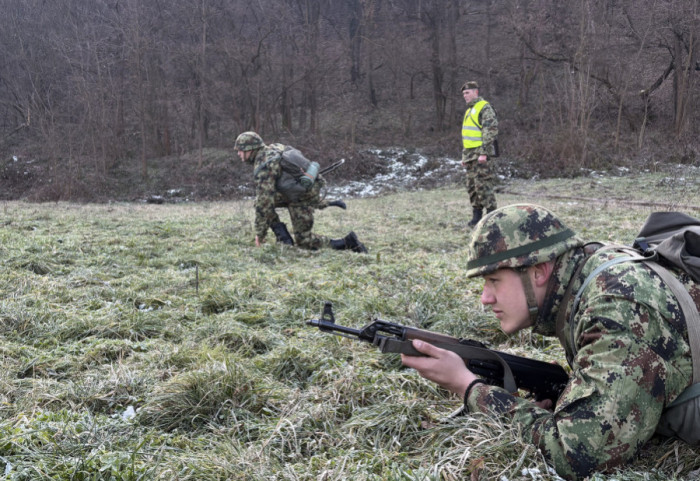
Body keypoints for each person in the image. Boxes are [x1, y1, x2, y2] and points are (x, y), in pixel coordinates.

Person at [401, 204, 698, 480]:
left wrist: (469, 388)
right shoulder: (589, 273)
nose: (485, 298)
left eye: (494, 280)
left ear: (539, 272)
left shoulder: (617, 305)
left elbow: (580, 455)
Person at [234, 131, 367, 253]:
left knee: (304, 242)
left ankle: (349, 242)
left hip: (303, 196)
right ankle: (284, 239)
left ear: (250, 149)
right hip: (298, 190)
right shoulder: (274, 148)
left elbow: (265, 201)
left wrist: (260, 234)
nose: (238, 154)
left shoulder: (264, 165)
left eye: (240, 150)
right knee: (261, 203)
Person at [460, 81, 499, 227]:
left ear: (476, 92)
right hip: (470, 155)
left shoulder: (484, 107)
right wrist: (464, 156)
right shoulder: (469, 111)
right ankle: (476, 217)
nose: (465, 96)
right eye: (463, 94)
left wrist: (484, 153)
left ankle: (492, 218)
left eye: (467, 93)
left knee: (484, 186)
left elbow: (490, 130)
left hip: (481, 155)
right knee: (472, 187)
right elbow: (467, 136)